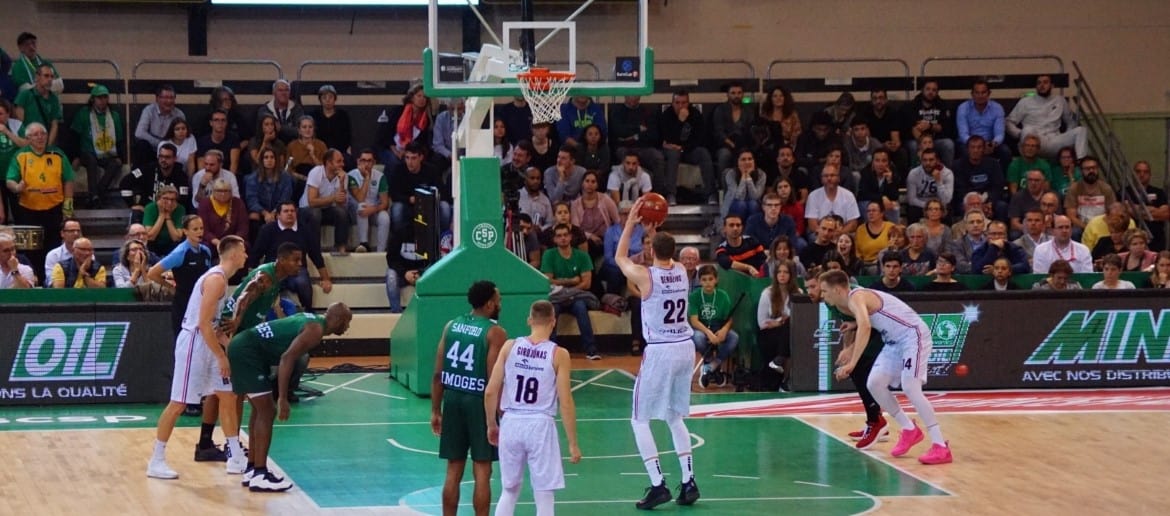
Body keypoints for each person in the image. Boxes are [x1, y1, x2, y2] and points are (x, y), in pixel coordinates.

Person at [614, 197, 701, 509]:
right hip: (685, 348)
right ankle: (689, 482)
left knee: (639, 420)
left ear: (651, 250)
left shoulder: (645, 275)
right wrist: (653, 230)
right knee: (674, 417)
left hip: (661, 351)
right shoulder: (681, 270)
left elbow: (619, 257)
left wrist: (631, 224)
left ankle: (657, 484)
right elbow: (664, 249)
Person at [824, 270, 953, 465]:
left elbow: (866, 326)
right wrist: (852, 324)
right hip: (893, 341)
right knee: (874, 384)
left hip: (913, 336)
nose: (823, 295)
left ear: (836, 290)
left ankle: (940, 445)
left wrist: (852, 362)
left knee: (910, 387)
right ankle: (909, 429)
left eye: (825, 291)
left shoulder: (856, 297)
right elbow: (875, 316)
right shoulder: (854, 300)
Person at [146, 236, 249, 481]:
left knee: (227, 395)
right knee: (179, 403)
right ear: (234, 254)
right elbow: (203, 324)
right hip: (194, 343)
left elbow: (213, 326)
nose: (246, 255)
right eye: (244, 251)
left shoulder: (222, 279)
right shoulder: (215, 280)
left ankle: (235, 456)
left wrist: (230, 348)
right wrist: (221, 357)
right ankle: (156, 460)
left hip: (208, 342)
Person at [227, 302, 353, 492]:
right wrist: (283, 398)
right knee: (267, 411)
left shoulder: (311, 319)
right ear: (337, 319)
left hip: (244, 347)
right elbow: (287, 358)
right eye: (347, 321)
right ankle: (260, 474)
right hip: (247, 351)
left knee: (260, 410)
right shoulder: (315, 330)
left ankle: (253, 469)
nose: (347, 327)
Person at [483, 300, 582, 516]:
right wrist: (573, 443)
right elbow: (565, 401)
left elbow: (490, 391)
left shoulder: (510, 346)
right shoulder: (559, 354)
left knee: (509, 490)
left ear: (529, 320)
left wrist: (492, 424)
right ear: (553, 322)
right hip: (540, 424)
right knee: (544, 494)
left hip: (511, 421)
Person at [431, 281, 507, 516]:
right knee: (482, 471)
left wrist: (435, 410)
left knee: (453, 469)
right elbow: (493, 380)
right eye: (498, 300)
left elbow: (438, 374)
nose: (500, 304)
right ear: (489, 304)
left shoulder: (451, 326)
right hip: (478, 402)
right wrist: (499, 414)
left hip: (453, 399)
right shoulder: (495, 333)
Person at [689, 265, 738, 389]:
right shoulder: (694, 296)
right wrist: (709, 333)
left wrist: (724, 330)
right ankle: (710, 361)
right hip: (701, 327)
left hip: (718, 326)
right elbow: (694, 321)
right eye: (704, 280)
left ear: (716, 280)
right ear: (700, 281)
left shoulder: (723, 295)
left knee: (733, 337)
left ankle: (712, 366)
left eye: (710, 279)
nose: (707, 283)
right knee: (698, 337)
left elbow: (729, 319)